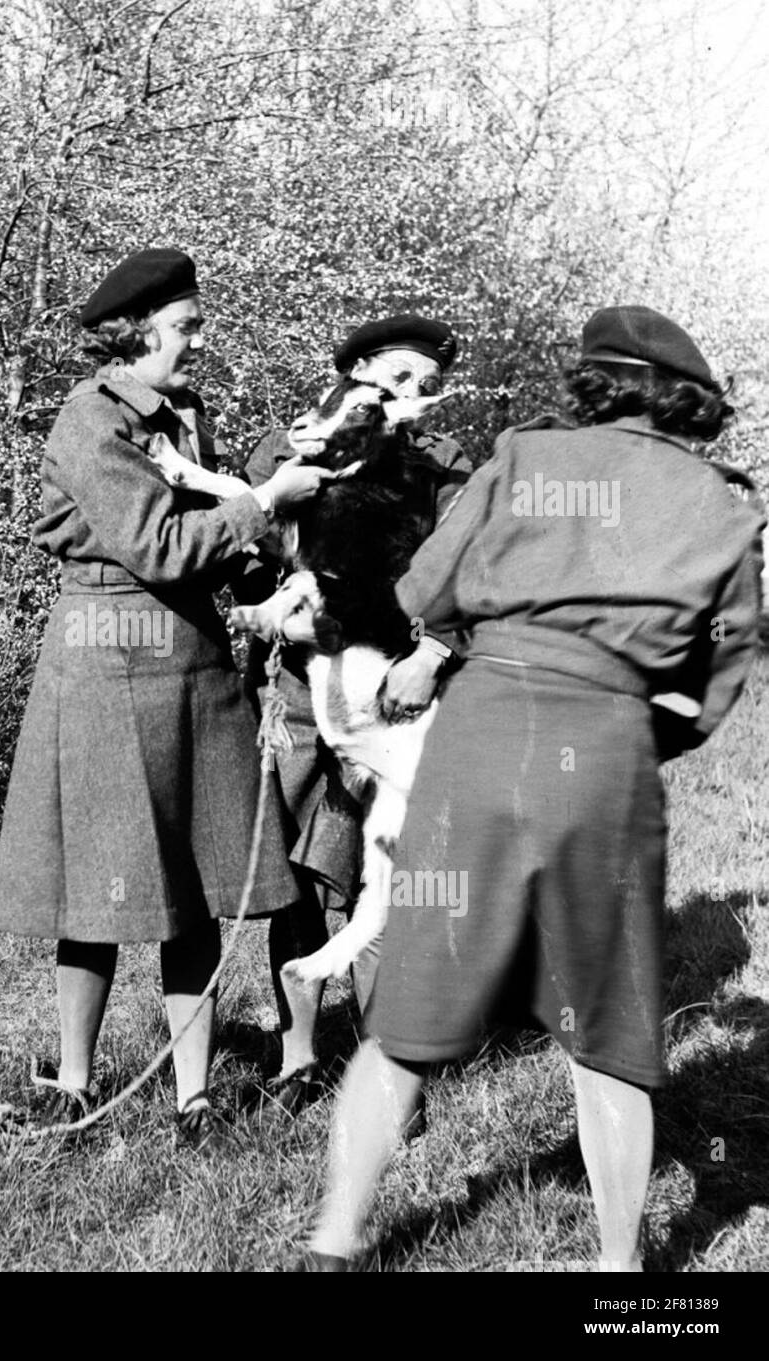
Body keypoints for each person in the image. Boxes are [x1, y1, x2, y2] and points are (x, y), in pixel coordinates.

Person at [294, 305, 765, 1270]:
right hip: (607, 753)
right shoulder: (725, 503)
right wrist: (640, 736)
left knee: (411, 1008)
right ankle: (621, 1274)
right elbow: (724, 667)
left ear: (593, 385)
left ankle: (334, 1245)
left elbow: (424, 589)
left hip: (484, 733)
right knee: (608, 1029)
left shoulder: (521, 457)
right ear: (688, 400)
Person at [0, 247, 334, 1151]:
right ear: (135, 335)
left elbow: (202, 548)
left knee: (191, 885)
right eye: (186, 328)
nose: (199, 343)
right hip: (103, 669)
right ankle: (72, 1081)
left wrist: (267, 563)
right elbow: (162, 546)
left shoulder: (180, 415)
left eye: (198, 325)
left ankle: (194, 1097)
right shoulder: (88, 419)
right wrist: (258, 501)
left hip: (192, 666)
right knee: (90, 898)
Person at [241, 315, 472, 1116]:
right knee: (297, 876)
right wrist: (279, 612)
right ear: (361, 374)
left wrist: (434, 652)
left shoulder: (442, 467)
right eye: (400, 379)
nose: (414, 397)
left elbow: (477, 568)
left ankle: (387, 1065)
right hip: (303, 693)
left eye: (428, 387)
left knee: (390, 874)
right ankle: (297, 1056)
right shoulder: (285, 449)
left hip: (396, 695)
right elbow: (247, 554)